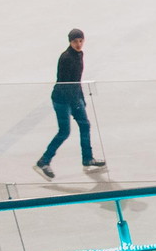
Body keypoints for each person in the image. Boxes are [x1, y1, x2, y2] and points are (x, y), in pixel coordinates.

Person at [34, 28, 106, 179]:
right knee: (64, 131)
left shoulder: (79, 54)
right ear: (70, 42)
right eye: (75, 41)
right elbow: (64, 83)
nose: (79, 44)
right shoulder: (66, 58)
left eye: (81, 40)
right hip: (61, 100)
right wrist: (75, 102)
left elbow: (77, 80)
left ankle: (87, 158)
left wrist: (81, 99)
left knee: (85, 125)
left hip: (74, 98)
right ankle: (44, 161)